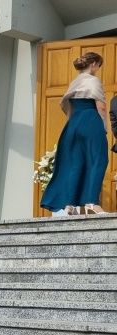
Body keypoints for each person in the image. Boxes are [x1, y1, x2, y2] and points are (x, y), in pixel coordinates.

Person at [40, 52, 108, 215]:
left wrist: (75, 122)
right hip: (90, 121)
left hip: (73, 125)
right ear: (93, 64)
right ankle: (92, 202)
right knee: (98, 160)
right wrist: (103, 127)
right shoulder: (93, 81)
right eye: (99, 65)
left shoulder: (74, 82)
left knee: (74, 163)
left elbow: (64, 105)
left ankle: (70, 205)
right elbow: (101, 107)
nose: (98, 69)